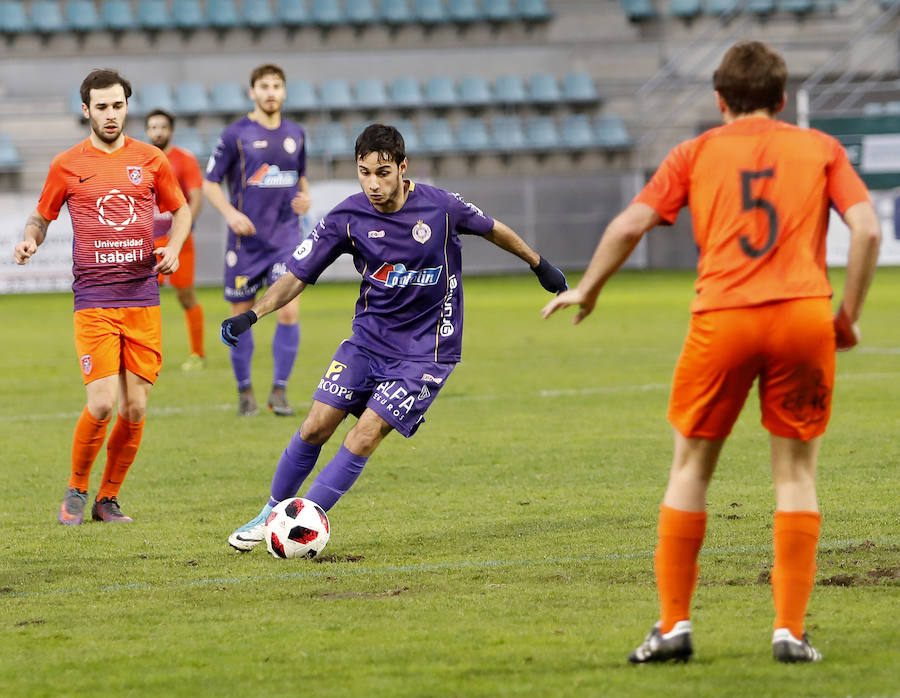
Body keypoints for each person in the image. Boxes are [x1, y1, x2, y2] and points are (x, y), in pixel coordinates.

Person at [543, 41, 881, 664]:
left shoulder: (695, 152)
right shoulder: (821, 148)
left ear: (719, 100)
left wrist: (587, 290)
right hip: (804, 315)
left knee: (692, 467)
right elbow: (866, 229)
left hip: (723, 317)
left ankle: (673, 626)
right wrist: (848, 317)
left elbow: (627, 225)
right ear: (782, 101)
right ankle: (789, 631)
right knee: (797, 473)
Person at [221, 123, 568, 551]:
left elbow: (493, 228)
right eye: (364, 172)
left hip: (428, 351)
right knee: (314, 427)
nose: (373, 183)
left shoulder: (441, 207)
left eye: (383, 172)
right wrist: (253, 314)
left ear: (403, 168)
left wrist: (539, 265)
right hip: (367, 342)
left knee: (365, 433)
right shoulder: (347, 218)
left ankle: (298, 527)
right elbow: (297, 275)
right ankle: (269, 515)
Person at [14, 69, 191, 524]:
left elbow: (181, 208)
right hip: (93, 299)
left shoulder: (151, 160)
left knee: (134, 407)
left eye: (118, 106)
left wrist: (172, 246)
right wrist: (31, 239)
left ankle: (107, 498)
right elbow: (42, 215)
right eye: (102, 107)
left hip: (143, 299)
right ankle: (76, 487)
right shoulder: (67, 164)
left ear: (126, 107)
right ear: (86, 110)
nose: (111, 114)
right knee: (102, 403)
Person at [203, 63, 311, 417]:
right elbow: (210, 182)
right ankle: (244, 390)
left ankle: (279, 390)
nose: (270, 92)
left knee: (289, 311)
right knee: (240, 315)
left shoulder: (296, 133)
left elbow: (302, 180)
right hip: (245, 244)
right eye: (263, 86)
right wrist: (231, 215)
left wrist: (305, 200)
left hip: (285, 240)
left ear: (283, 92)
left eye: (276, 86)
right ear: (252, 92)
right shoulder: (235, 134)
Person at [145, 108, 207, 371]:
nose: (158, 131)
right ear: (148, 131)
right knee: (145, 297)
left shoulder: (184, 159)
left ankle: (197, 353)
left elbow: (196, 199)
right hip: (148, 241)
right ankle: (147, 353)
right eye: (153, 127)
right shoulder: (139, 159)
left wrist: (179, 232)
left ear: (171, 131)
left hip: (179, 241)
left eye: (162, 127)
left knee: (185, 296)